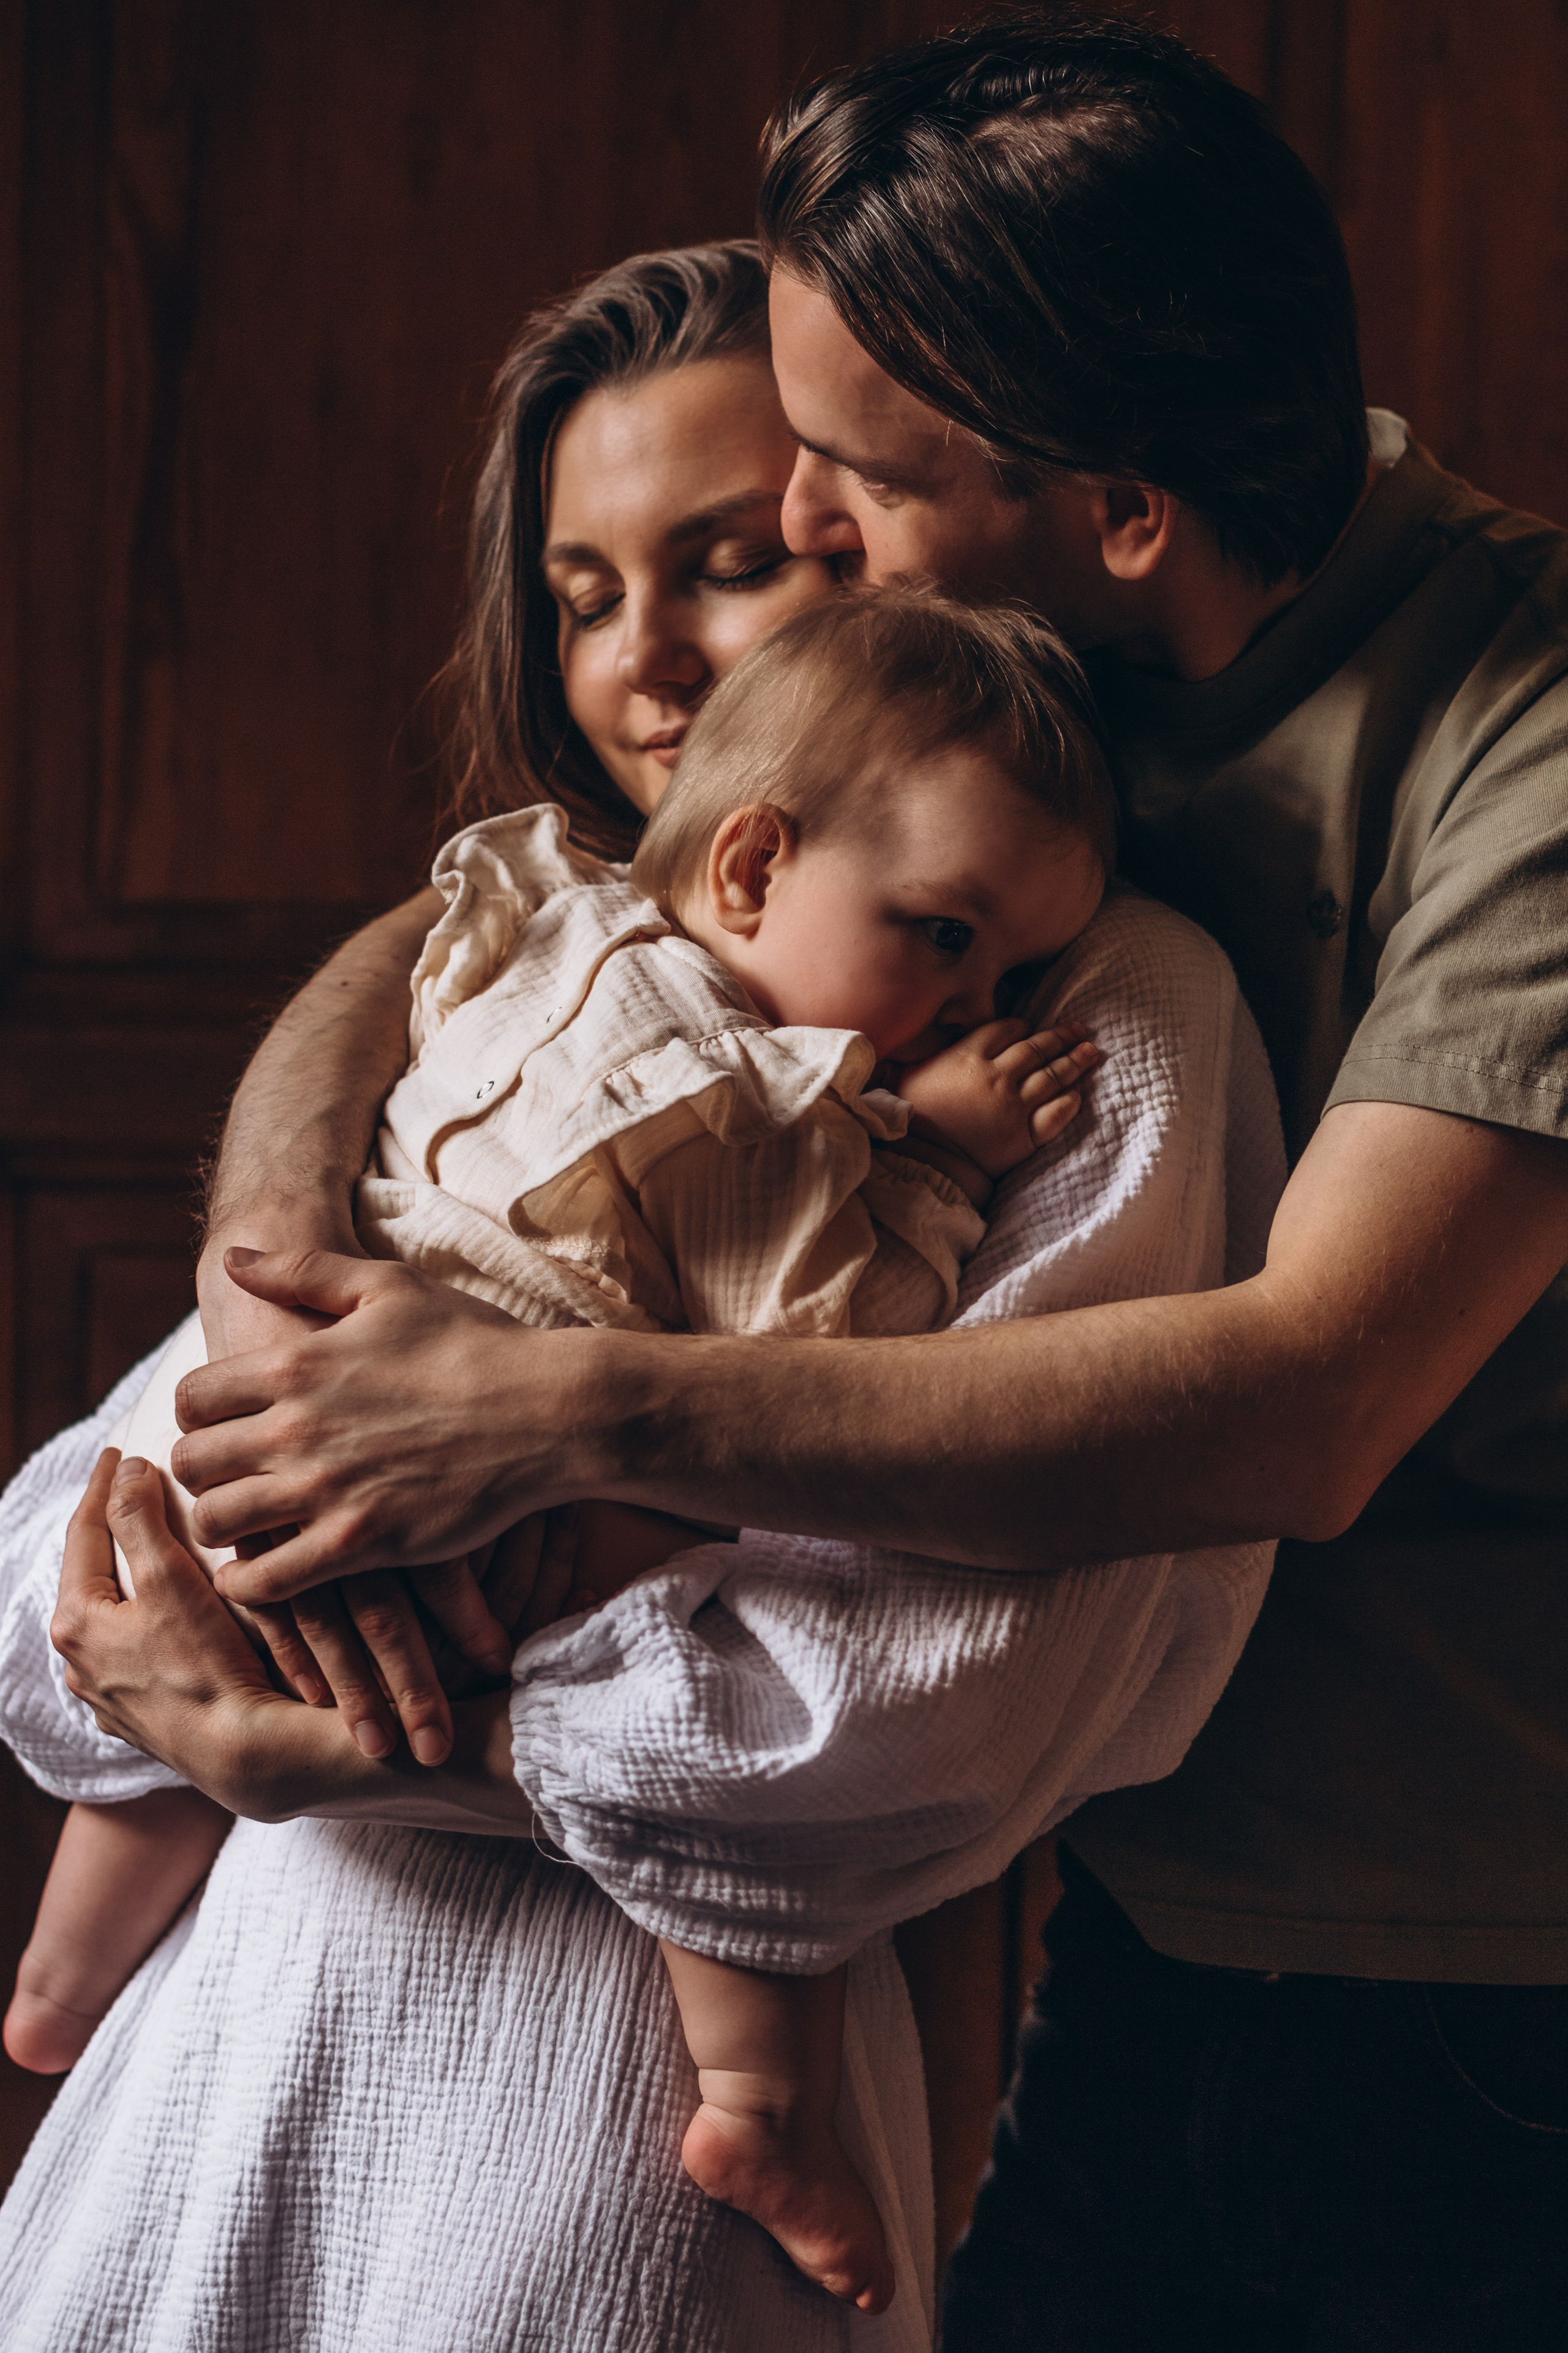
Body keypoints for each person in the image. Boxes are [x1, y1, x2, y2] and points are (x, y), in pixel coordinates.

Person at [136, 13, 1568, 2346]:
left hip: (1462, 1965)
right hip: (1110, 1902)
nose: (807, 527)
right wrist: (277, 1255)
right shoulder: (1066, 631)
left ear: (1118, 510)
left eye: (850, 471)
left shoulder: (1516, 755)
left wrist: (546, 1417)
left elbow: (1305, 1401)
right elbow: (556, 897)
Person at [0, 232, 1279, 2353]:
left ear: (882, 546)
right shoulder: (543, 983)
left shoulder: (1081, 1005)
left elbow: (906, 1716)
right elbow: (65, 1601)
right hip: (224, 2076)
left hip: (617, 2124)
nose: (644, 665)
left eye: (726, 563)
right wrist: (213, 1638)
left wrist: (301, 1728)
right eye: (584, 596)